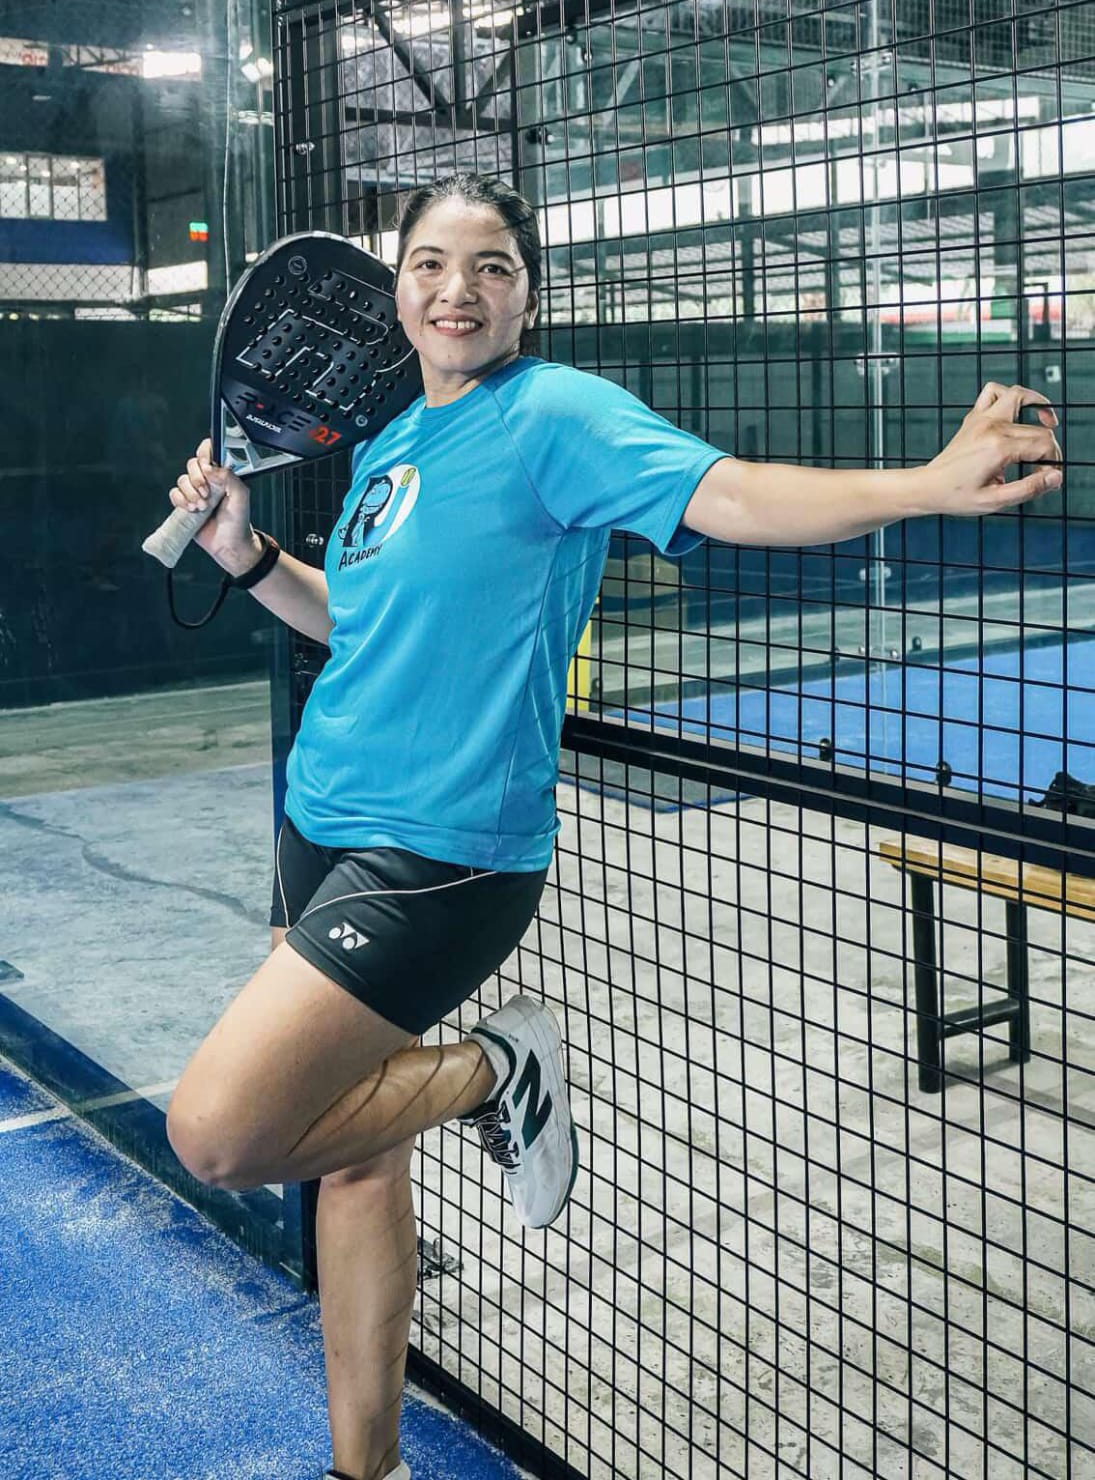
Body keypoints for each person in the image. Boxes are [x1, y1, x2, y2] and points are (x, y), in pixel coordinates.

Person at [163, 174, 1062, 1480]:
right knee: (353, 1159)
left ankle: (499, 1070)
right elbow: (352, 625)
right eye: (430, 264)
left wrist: (923, 483)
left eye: (491, 266)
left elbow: (732, 496)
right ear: (397, 292)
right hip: (323, 819)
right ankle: (372, 1470)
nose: (458, 289)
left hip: (442, 852)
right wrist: (247, 557)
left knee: (222, 1131)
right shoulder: (391, 443)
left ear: (527, 295)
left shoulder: (557, 418)